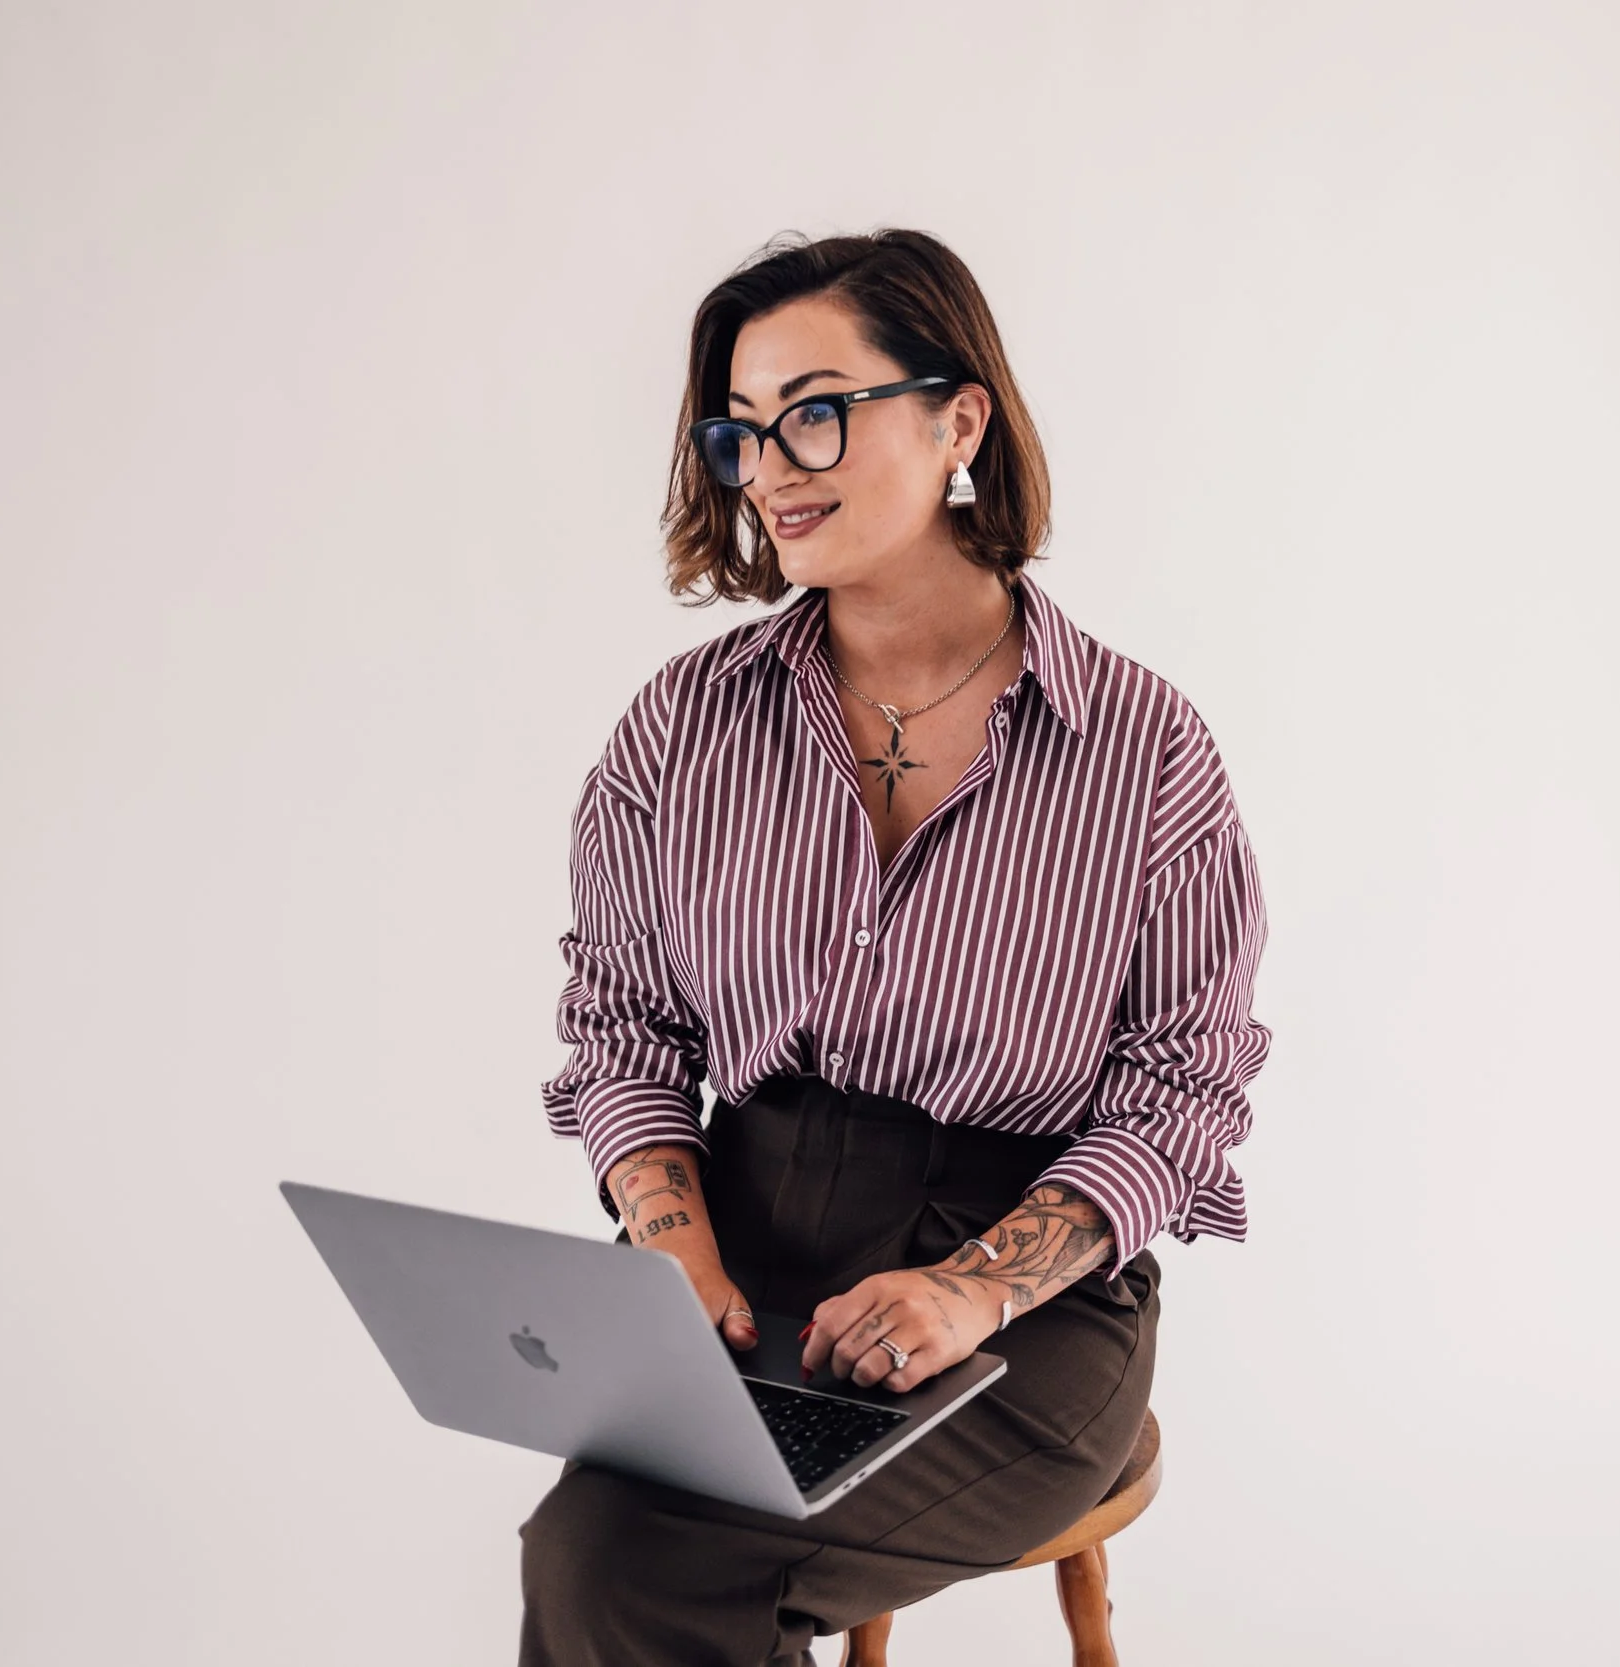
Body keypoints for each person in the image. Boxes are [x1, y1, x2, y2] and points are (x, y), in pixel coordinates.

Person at [519, 227, 1272, 1666]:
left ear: (957, 419)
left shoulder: (1142, 749)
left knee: (633, 1566)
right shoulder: (681, 730)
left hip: (1027, 1304)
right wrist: (672, 1244)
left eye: (816, 409)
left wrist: (971, 1284)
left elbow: (1185, 1093)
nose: (774, 464)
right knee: (598, 1546)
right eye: (740, 431)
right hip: (743, 1266)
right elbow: (620, 1026)